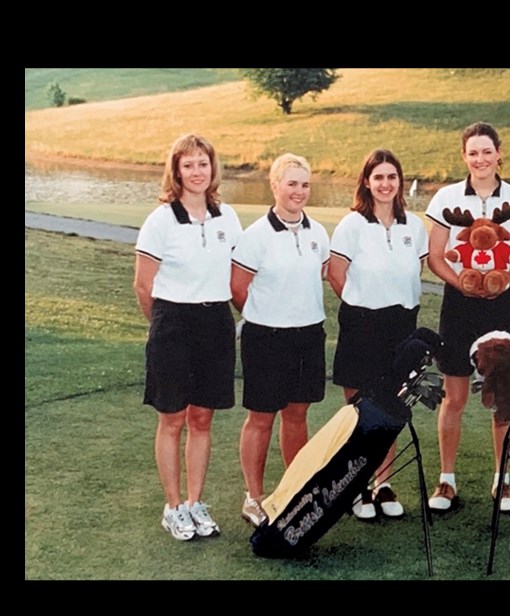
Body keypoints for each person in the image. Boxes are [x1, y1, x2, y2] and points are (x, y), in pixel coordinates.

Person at [134, 133, 242, 541]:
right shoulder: (161, 219)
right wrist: (163, 326)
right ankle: (174, 507)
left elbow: (237, 271)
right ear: (176, 171)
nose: (197, 172)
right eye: (189, 164)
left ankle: (196, 504)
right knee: (173, 419)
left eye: (203, 163)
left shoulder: (226, 216)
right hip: (173, 324)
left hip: (215, 322)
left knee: (202, 418)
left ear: (213, 169)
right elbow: (144, 287)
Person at [425, 122, 510, 514]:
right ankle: (447, 481)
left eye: (487, 151)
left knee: (503, 397)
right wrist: (461, 282)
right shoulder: (446, 197)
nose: (480, 159)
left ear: (499, 153)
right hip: (459, 303)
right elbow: (435, 255)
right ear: (464, 156)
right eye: (473, 152)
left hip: (502, 304)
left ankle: (502, 481)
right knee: (454, 397)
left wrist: (503, 283)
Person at [231, 153, 330, 527]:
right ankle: (254, 497)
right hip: (265, 337)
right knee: (261, 417)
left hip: (308, 334)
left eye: (305, 184)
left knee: (297, 415)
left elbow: (319, 274)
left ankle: (293, 489)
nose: (299, 192)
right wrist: (268, 314)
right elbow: (238, 289)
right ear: (275, 185)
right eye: (291, 183)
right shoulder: (255, 235)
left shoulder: (318, 233)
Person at [328, 149, 428, 520]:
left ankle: (382, 483)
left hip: (401, 326)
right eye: (378, 177)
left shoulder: (413, 226)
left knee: (390, 406)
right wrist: (362, 306)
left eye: (392, 177)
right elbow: (336, 274)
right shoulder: (352, 224)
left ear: (400, 182)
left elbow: (415, 270)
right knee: (358, 410)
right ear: (366, 182)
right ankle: (356, 486)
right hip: (361, 325)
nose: (385, 184)